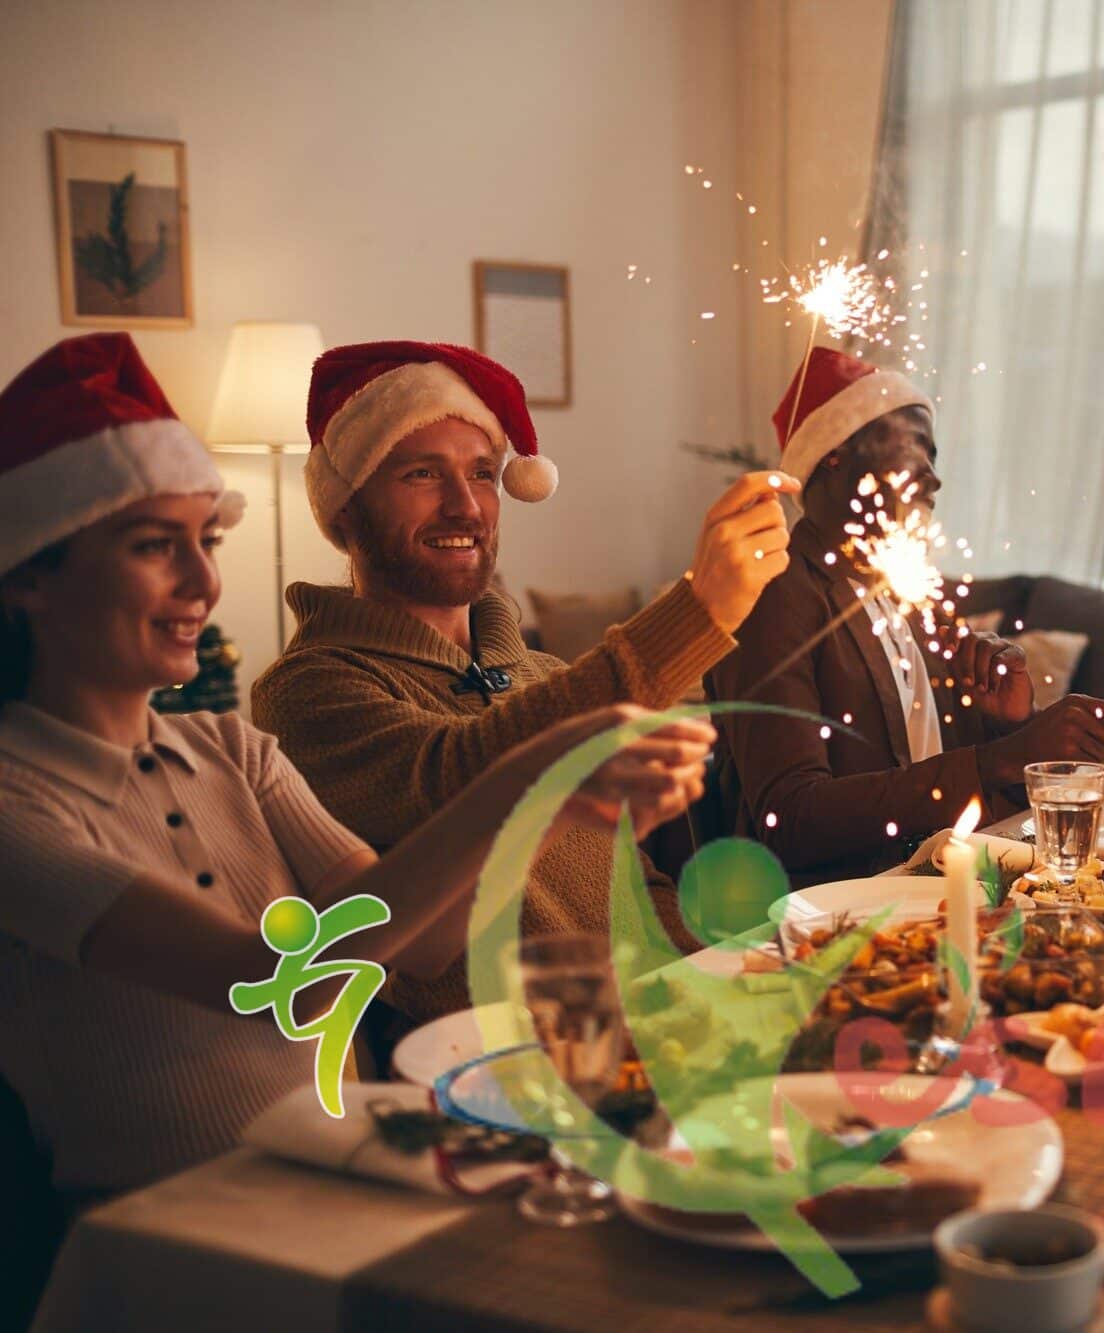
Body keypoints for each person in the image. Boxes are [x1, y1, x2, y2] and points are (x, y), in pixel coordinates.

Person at [0, 333, 709, 1201]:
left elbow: (420, 939)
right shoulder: (18, 799)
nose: (203, 583)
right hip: (174, 1227)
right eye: (155, 546)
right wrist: (540, 773)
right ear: (30, 576)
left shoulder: (229, 750)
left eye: (207, 542)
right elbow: (266, 983)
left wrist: (558, 797)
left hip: (348, 1167)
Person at [252, 341, 790, 1023]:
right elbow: (463, 774)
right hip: (504, 1076)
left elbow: (633, 885)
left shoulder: (545, 676)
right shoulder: (310, 688)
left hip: (663, 1039)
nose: (465, 507)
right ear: (346, 507)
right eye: (422, 473)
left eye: (482, 473)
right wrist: (696, 613)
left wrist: (719, 979)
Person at [705, 348, 1104, 882]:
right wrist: (999, 758)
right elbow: (789, 818)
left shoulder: (906, 595)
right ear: (834, 455)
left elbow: (934, 773)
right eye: (915, 449)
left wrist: (1009, 725)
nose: (933, 478)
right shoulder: (775, 591)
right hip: (835, 917)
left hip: (942, 889)